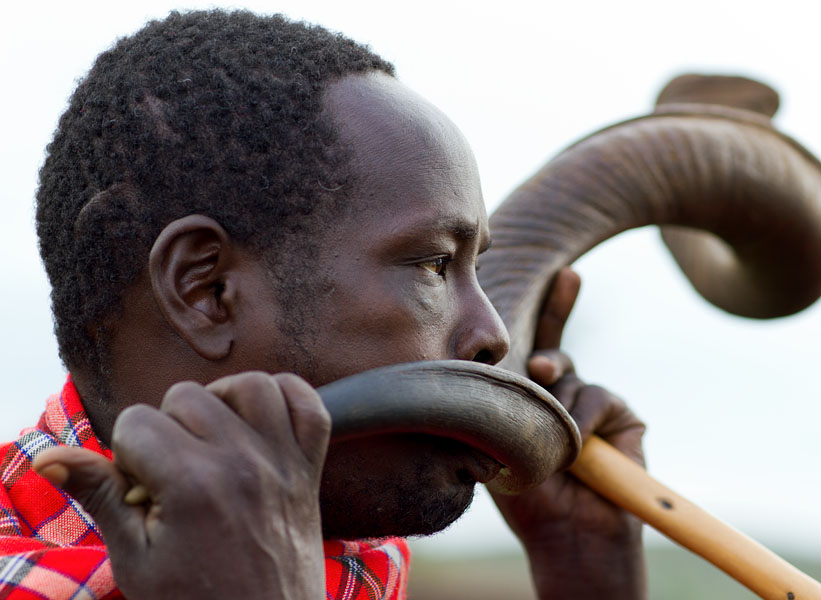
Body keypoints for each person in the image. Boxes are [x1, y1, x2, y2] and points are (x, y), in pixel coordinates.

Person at [0, 10, 646, 600]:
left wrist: (587, 573)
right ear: (207, 290)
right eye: (432, 264)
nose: (493, 336)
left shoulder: (354, 571)